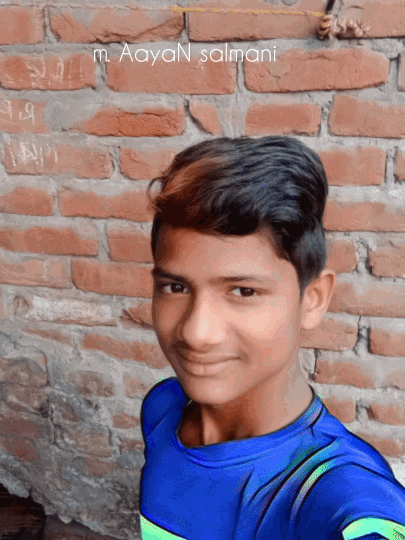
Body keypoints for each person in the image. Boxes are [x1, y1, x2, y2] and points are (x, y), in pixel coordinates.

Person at [139, 136, 405, 539]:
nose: (196, 332)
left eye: (243, 291)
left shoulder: (341, 499)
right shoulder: (163, 408)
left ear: (312, 300)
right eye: (175, 287)